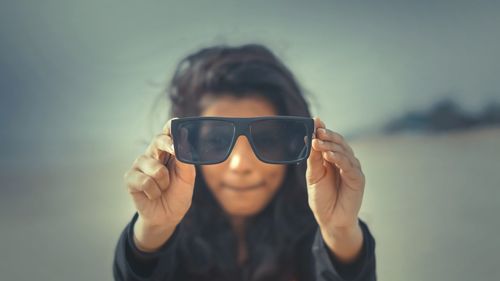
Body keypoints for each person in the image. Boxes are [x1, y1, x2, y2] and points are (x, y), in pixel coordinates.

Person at [113, 44, 376, 281]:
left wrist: (340, 230)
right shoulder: (169, 233)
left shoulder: (317, 233)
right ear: (187, 145)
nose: (240, 164)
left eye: (267, 140)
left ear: (297, 143)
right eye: (216, 142)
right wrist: (153, 229)